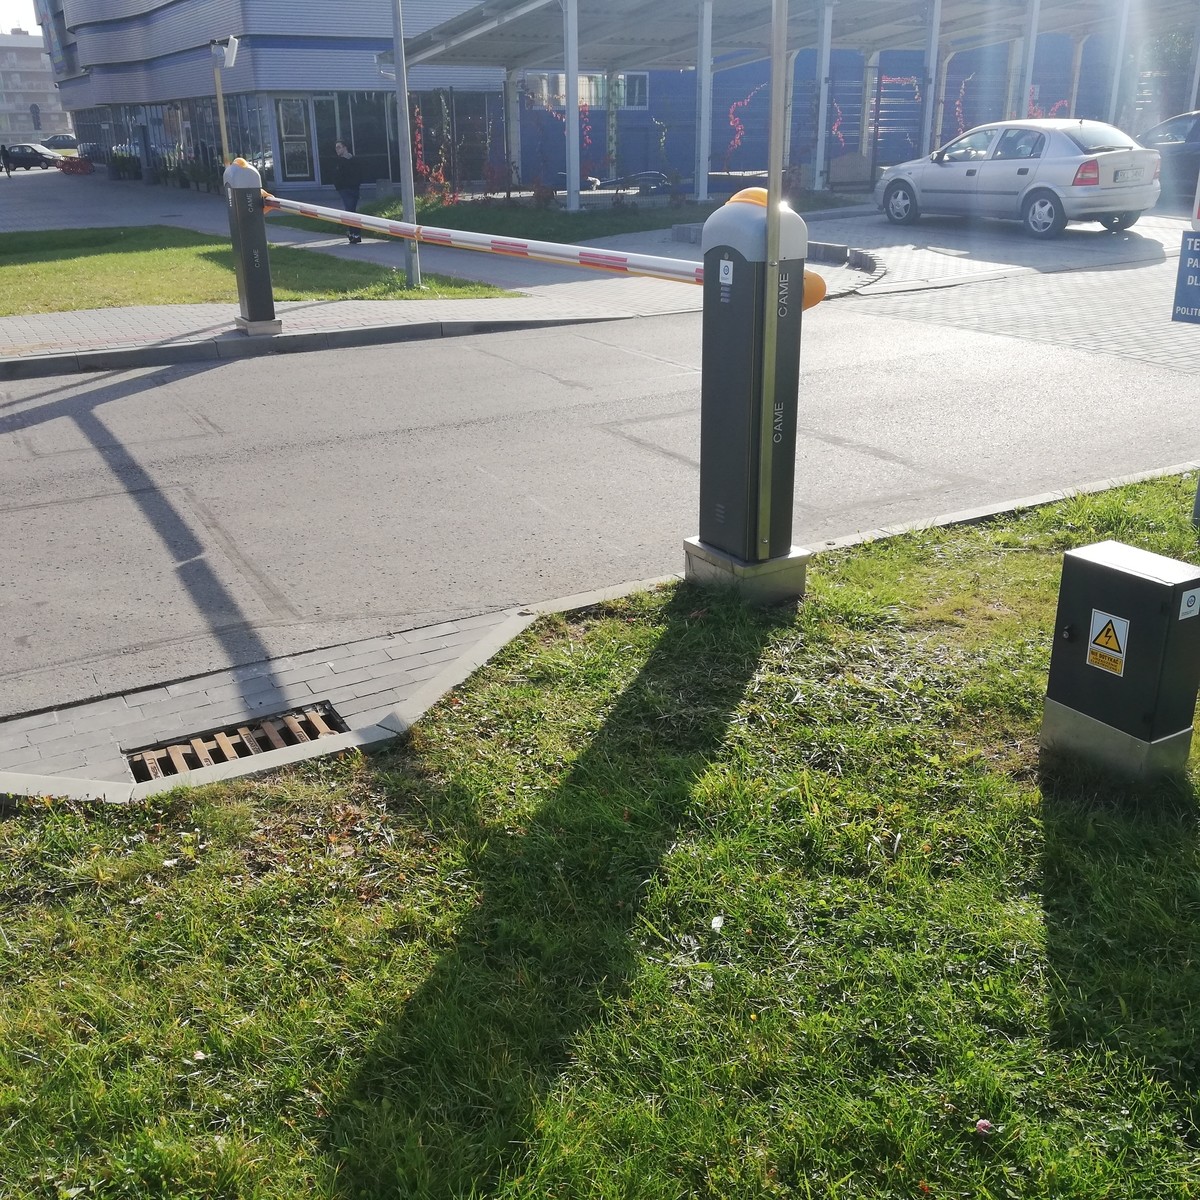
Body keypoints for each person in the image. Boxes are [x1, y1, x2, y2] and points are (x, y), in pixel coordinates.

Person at [331, 139, 363, 244]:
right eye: (336, 148)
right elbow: (336, 176)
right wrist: (339, 187)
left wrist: (357, 184)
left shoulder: (354, 160)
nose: (337, 150)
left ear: (345, 148)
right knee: (350, 210)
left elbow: (359, 173)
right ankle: (354, 233)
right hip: (344, 190)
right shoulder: (338, 162)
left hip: (354, 189)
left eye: (339, 147)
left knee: (351, 210)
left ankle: (353, 233)